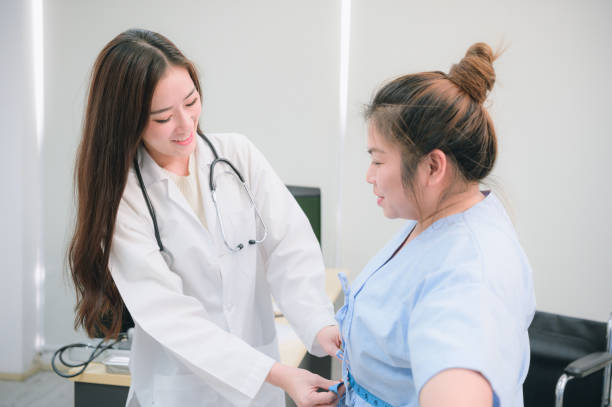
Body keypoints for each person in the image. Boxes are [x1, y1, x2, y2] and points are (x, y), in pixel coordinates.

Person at [68, 28, 342, 407]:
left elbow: (288, 247)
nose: (185, 124)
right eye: (163, 117)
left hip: (258, 385)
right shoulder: (125, 199)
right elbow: (171, 318)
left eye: (191, 101)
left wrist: (319, 324)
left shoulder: (237, 155)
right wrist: (277, 374)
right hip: (180, 390)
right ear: (127, 121)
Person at [332, 43, 536, 406]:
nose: (368, 176)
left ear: (433, 167)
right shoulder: (441, 219)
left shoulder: (469, 274)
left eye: (378, 161)